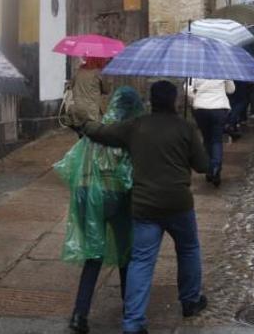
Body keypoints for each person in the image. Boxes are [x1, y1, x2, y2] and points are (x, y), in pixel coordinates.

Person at [80, 81, 209, 334]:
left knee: (141, 261)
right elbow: (203, 165)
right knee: (189, 249)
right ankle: (190, 301)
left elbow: (103, 133)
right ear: (174, 100)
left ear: (151, 100)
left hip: (145, 206)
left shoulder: (136, 126)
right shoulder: (186, 128)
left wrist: (85, 124)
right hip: (178, 204)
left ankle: (134, 322)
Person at [55, 87, 145, 334]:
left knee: (93, 256)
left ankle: (79, 315)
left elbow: (70, 165)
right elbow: (128, 176)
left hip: (86, 194)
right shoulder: (127, 132)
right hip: (114, 194)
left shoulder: (97, 129)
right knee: (127, 254)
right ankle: (131, 312)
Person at [189, 78, 235, 187]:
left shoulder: (196, 68)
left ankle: (209, 168)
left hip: (201, 108)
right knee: (216, 140)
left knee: (207, 138)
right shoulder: (223, 68)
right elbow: (231, 90)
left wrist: (196, 97)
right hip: (219, 108)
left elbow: (188, 88)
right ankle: (215, 167)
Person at [69, 57, 112, 132]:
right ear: (99, 60)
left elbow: (72, 85)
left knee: (81, 133)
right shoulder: (98, 73)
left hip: (77, 108)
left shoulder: (78, 71)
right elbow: (107, 90)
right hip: (91, 111)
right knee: (94, 135)